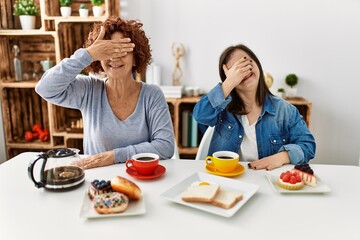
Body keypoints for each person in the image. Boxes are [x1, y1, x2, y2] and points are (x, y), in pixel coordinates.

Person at [35, 17, 175, 169]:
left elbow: (165, 146)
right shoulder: (89, 90)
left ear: (136, 58)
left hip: (142, 180)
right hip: (98, 183)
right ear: (99, 58)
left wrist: (112, 156)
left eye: (122, 50)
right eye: (108, 50)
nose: (115, 57)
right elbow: (45, 88)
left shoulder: (152, 95)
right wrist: (88, 54)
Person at [193, 44, 315, 170]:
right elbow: (200, 115)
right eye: (236, 69)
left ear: (257, 64)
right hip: (225, 181)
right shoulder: (223, 110)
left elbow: (308, 146)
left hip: (268, 181)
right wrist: (229, 83)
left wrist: (282, 157)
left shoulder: (285, 111)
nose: (244, 70)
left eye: (247, 62)